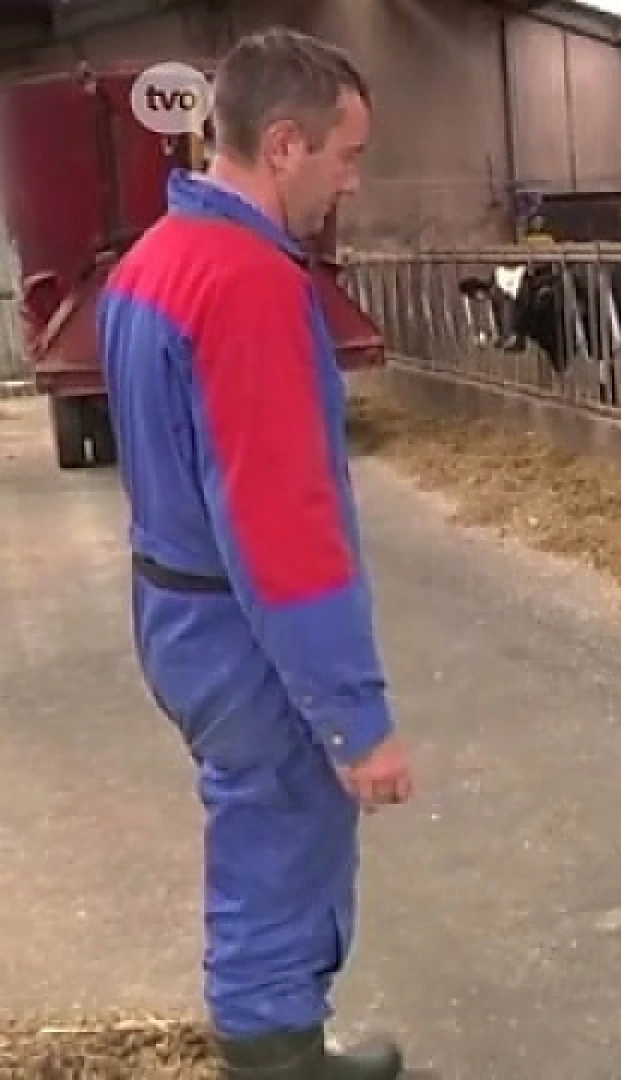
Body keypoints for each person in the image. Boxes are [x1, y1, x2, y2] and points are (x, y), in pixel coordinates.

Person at [98, 27, 414, 1080]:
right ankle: (277, 1058)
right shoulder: (249, 288)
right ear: (284, 145)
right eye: (347, 155)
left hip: (176, 609)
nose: (350, 183)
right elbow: (284, 532)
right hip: (241, 633)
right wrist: (356, 716)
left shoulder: (152, 262)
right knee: (283, 844)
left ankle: (275, 1040)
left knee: (253, 832)